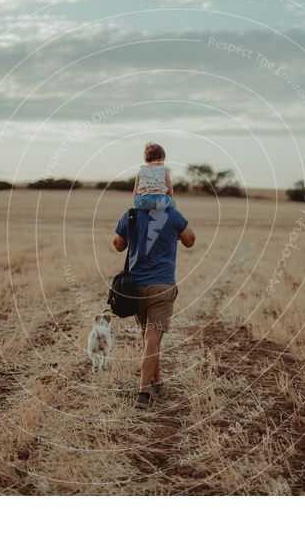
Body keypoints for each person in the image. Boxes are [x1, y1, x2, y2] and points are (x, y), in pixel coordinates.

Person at [113, 184, 195, 409]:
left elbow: (118, 245)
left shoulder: (130, 215)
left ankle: (157, 382)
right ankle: (144, 393)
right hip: (161, 288)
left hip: (136, 288)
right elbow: (190, 241)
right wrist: (174, 209)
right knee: (152, 338)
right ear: (164, 193)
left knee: (148, 337)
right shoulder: (173, 215)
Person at [133, 142, 174, 212]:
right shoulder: (164, 171)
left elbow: (135, 191)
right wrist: (170, 199)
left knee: (137, 201)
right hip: (161, 202)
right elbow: (170, 188)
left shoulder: (140, 172)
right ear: (160, 159)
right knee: (173, 203)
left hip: (145, 202)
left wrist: (135, 204)